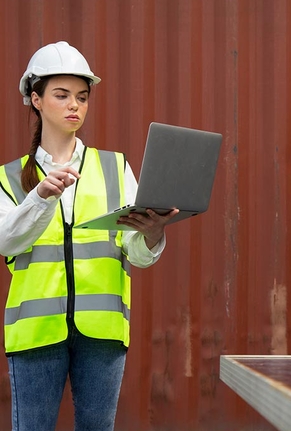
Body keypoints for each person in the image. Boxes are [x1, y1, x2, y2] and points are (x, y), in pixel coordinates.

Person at [0, 41, 178, 431]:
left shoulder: (115, 167)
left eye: (82, 96)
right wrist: (41, 197)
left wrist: (152, 233)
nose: (74, 105)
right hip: (35, 333)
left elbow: (136, 252)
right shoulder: (10, 177)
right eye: (61, 95)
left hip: (102, 332)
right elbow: (6, 241)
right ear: (36, 99)